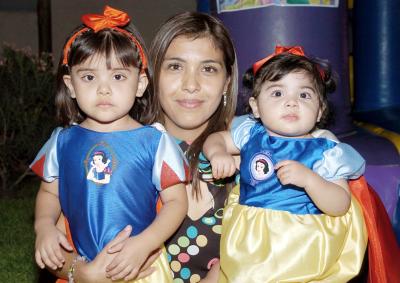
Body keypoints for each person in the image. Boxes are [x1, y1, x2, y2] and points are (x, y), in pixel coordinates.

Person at [30, 6, 188, 282]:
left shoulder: (155, 141)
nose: (103, 88)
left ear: (140, 84)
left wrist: (145, 244)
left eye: (117, 76)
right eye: (89, 77)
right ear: (70, 85)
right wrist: (44, 225)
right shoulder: (62, 141)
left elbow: (176, 203)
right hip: (79, 262)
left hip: (138, 268)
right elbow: (49, 194)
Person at [203, 46, 368, 282]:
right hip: (250, 240)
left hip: (301, 247)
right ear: (256, 107)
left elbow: (340, 204)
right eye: (278, 93)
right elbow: (216, 138)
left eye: (304, 95)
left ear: (320, 110)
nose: (292, 103)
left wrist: (311, 181)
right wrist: (218, 152)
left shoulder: (324, 148)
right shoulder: (251, 134)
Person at [149, 12, 238, 283]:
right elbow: (64, 249)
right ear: (152, 75)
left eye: (208, 68)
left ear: (227, 83)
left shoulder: (258, 155)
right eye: (175, 66)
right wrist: (80, 272)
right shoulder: (122, 149)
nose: (190, 85)